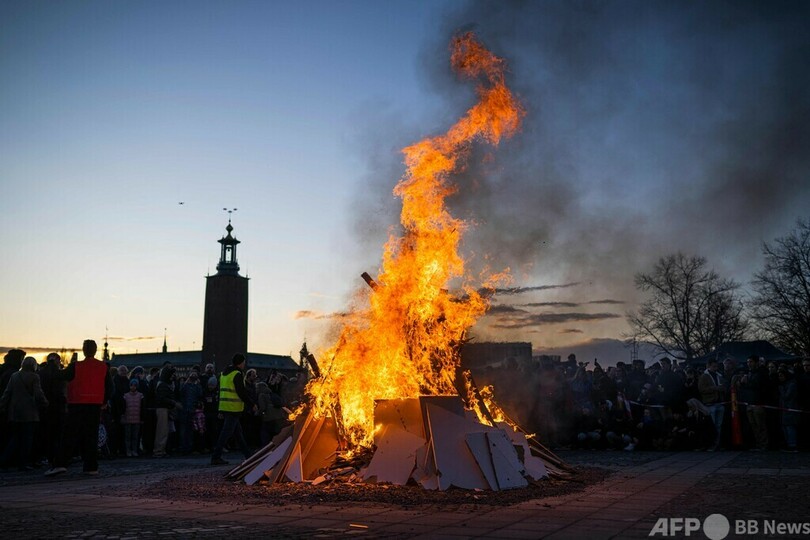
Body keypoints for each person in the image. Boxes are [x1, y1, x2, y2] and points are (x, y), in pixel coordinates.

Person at [45, 339, 112, 476]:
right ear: (95, 350)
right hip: (95, 405)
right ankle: (91, 467)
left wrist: (51, 364)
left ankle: (61, 464)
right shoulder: (103, 367)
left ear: (84, 350)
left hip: (77, 403)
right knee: (91, 436)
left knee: (69, 435)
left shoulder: (76, 366)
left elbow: (60, 376)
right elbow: (110, 387)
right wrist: (104, 401)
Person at [0, 357, 49, 470]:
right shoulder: (34, 377)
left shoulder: (14, 376)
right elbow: (38, 393)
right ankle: (23, 463)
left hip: (15, 412)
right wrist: (45, 403)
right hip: (29, 412)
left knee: (15, 438)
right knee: (27, 439)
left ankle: (3, 460)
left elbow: (7, 393)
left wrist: (2, 406)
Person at [211, 354, 252, 466]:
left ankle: (248, 456)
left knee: (238, 434)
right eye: (244, 362)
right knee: (225, 433)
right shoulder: (237, 374)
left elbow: (220, 391)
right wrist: (251, 404)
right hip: (233, 408)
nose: (244, 364)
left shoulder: (223, 374)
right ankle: (216, 457)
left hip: (225, 406)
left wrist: (219, 409)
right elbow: (241, 392)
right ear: (241, 362)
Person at [38, 352, 67, 468]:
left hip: (44, 407)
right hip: (57, 407)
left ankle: (46, 456)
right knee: (58, 434)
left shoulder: (41, 373)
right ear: (57, 361)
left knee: (46, 433)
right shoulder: (60, 374)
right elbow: (61, 392)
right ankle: (56, 457)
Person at [738, 355, 769, 451]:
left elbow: (757, 385)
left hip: (758, 403)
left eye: (751, 362)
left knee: (760, 425)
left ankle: (763, 444)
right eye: (748, 362)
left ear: (756, 362)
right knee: (753, 425)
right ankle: (758, 443)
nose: (749, 364)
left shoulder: (761, 373)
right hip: (749, 403)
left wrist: (745, 382)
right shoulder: (749, 373)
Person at [698, 359, 726, 451]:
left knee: (718, 426)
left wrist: (722, 389)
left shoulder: (719, 375)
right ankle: (711, 444)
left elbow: (723, 387)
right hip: (710, 404)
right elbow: (701, 389)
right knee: (711, 426)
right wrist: (715, 388)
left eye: (716, 366)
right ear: (708, 366)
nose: (715, 368)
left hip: (719, 403)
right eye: (714, 366)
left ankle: (717, 444)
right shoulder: (704, 376)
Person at [153, 366, 179, 458]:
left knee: (164, 431)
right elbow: (162, 399)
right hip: (162, 409)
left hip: (165, 409)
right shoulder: (162, 385)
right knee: (162, 431)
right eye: (172, 374)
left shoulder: (164, 383)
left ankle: (161, 450)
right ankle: (158, 451)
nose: (173, 376)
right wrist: (173, 403)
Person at [777, 368, 799, 453]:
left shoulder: (791, 384)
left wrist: (781, 389)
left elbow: (787, 396)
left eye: (781, 376)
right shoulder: (784, 384)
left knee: (790, 427)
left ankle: (792, 445)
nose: (780, 378)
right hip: (784, 409)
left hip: (790, 408)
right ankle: (788, 444)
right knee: (785, 427)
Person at [122, 379, 144, 457]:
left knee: (135, 437)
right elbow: (123, 408)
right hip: (128, 419)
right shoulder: (125, 396)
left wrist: (142, 418)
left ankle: (134, 450)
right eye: (131, 385)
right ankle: (128, 450)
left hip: (137, 419)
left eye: (135, 385)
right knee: (128, 437)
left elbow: (142, 408)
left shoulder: (141, 396)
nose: (133, 387)